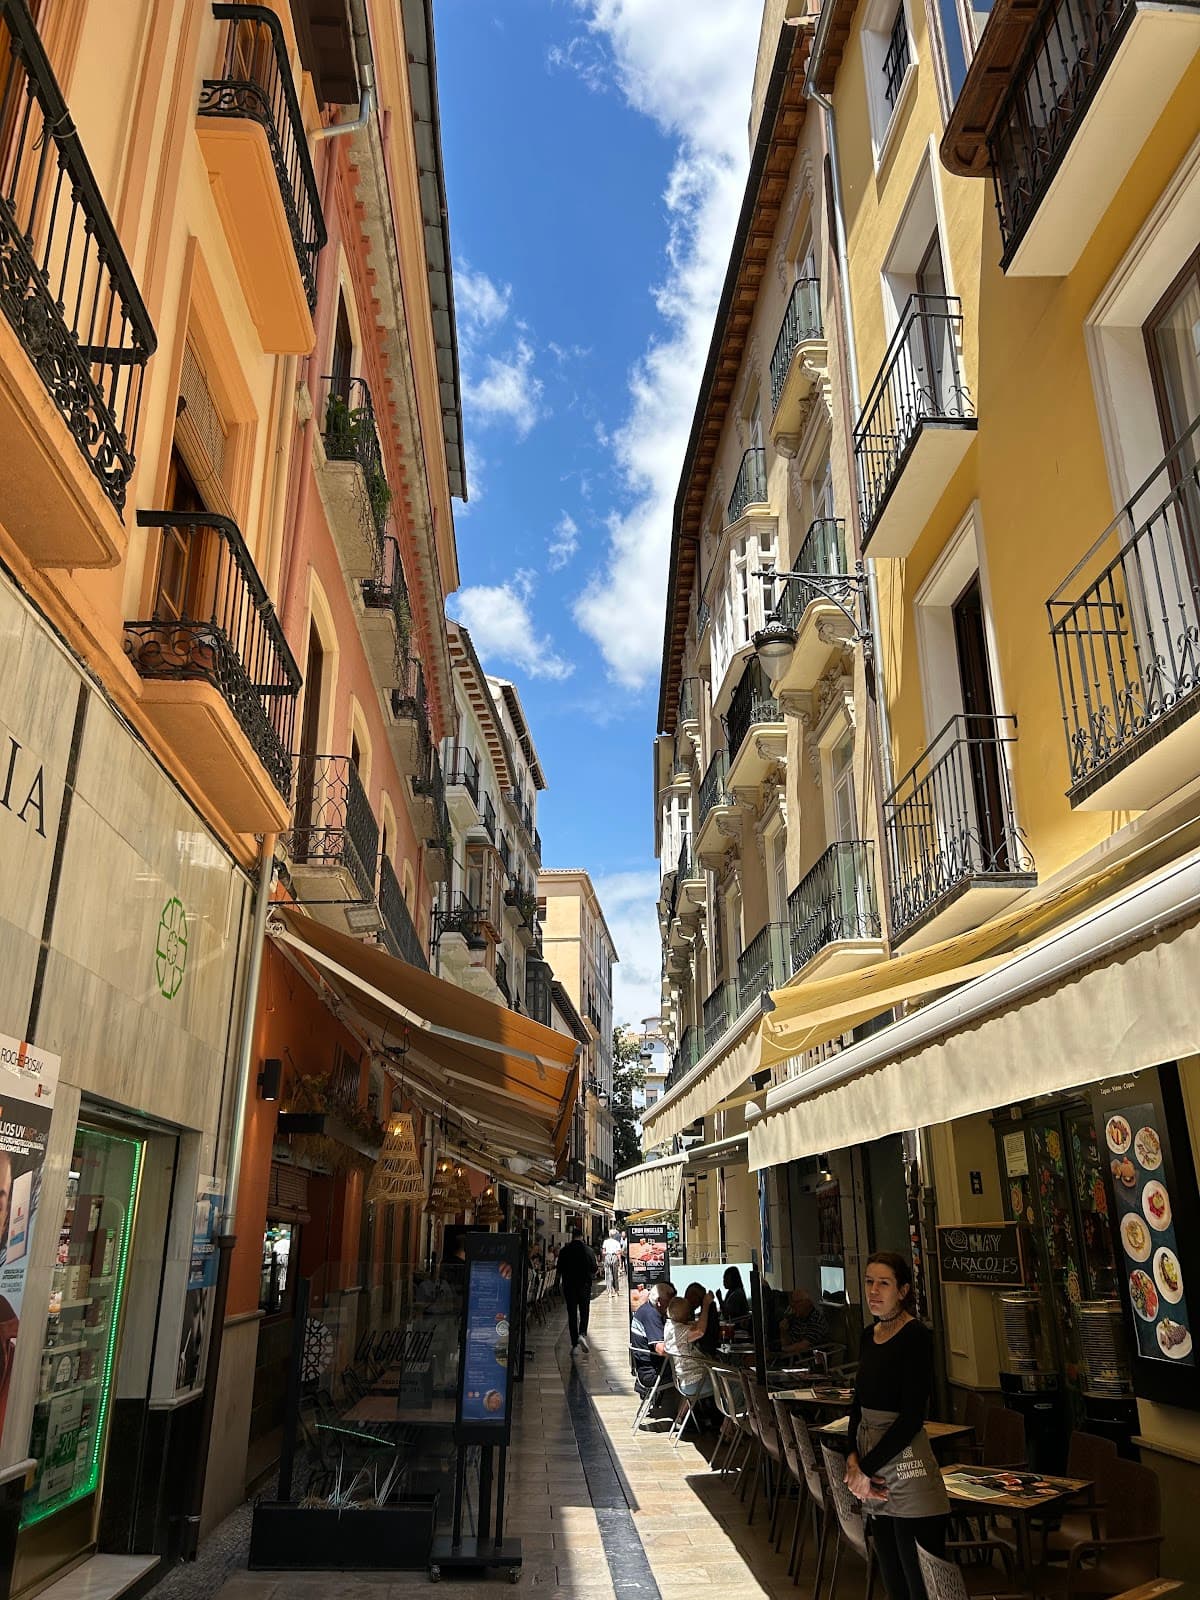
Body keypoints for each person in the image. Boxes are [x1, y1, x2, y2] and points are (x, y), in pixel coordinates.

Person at [844, 1251, 949, 1600]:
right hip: (871, 1465)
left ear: (903, 1290)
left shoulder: (916, 1336)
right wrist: (851, 1459)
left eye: (884, 1283)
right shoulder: (866, 1336)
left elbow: (911, 1419)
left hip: (906, 1466)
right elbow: (857, 1405)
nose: (874, 1290)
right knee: (892, 1578)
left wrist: (864, 1470)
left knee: (918, 1582)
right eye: (869, 1281)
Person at [663, 1293, 714, 1402]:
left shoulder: (670, 1325)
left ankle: (682, 1417)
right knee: (734, 1384)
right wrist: (705, 1306)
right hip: (695, 1381)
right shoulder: (680, 1331)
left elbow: (693, 1324)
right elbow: (699, 1331)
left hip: (684, 1380)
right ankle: (733, 1417)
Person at [555, 1224, 597, 1353]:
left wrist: (557, 1286)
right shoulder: (588, 1250)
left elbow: (559, 1270)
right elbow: (594, 1268)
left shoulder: (564, 1250)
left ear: (572, 1236)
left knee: (572, 1314)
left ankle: (574, 1342)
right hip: (584, 1286)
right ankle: (582, 1334)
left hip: (569, 1287)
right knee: (584, 1312)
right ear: (582, 1236)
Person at [630, 1279, 674, 1390]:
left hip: (645, 1367)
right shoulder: (652, 1315)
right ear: (659, 1301)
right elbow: (661, 1349)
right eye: (670, 1301)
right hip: (652, 1373)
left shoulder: (647, 1308)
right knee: (694, 1374)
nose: (672, 1304)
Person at [779, 1288, 829, 1356]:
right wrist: (783, 1331)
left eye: (796, 1302)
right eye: (792, 1302)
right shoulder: (797, 1317)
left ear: (807, 1303)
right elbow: (789, 1342)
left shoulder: (816, 1320)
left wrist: (780, 1351)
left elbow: (802, 1346)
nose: (792, 1305)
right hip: (791, 1356)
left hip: (807, 1360)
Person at [684, 1281, 720, 1356]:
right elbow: (700, 1333)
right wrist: (706, 1305)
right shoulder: (682, 1313)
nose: (699, 1304)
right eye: (699, 1299)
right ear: (692, 1296)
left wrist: (710, 1306)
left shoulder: (690, 1312)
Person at [600, 1230, 623, 1296]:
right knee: (615, 1275)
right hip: (614, 1256)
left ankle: (609, 1292)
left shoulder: (605, 1242)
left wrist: (603, 1260)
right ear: (614, 1235)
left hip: (607, 1256)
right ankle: (616, 1291)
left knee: (608, 1275)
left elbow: (603, 1252)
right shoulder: (617, 1242)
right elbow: (619, 1253)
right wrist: (620, 1262)